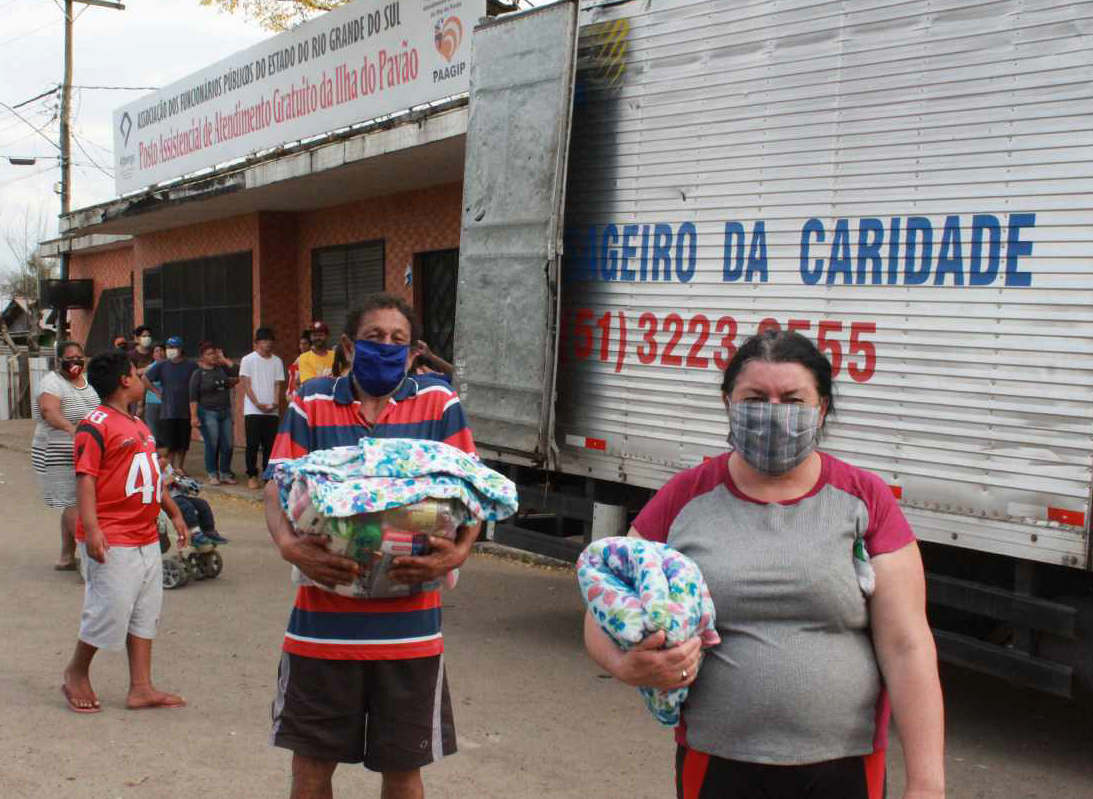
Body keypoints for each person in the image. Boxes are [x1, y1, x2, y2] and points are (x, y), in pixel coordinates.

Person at [583, 329, 945, 799]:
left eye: (793, 399)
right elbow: (602, 603)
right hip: (717, 763)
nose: (773, 413)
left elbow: (907, 647)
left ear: (822, 409)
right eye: (755, 397)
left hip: (845, 766)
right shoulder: (687, 497)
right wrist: (624, 665)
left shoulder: (863, 499)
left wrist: (927, 784)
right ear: (728, 403)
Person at [263, 293, 480, 799]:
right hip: (322, 622)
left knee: (403, 771)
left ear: (413, 353)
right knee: (311, 766)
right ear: (348, 346)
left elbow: (472, 488)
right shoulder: (312, 401)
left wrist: (461, 549)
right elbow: (277, 480)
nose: (386, 347)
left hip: (410, 627)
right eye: (373, 338)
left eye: (397, 340)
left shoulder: (439, 403)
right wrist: (287, 545)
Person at [61, 351, 190, 713]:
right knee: (109, 609)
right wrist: (93, 529)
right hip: (113, 535)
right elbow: (85, 479)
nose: (140, 378)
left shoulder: (138, 425)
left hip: (145, 536)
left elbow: (152, 476)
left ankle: (141, 687)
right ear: (124, 380)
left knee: (145, 611)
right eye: (136, 372)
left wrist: (175, 513)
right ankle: (76, 671)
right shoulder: (95, 423)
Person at [31, 341, 100, 570]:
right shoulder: (51, 383)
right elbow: (49, 411)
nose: (76, 361)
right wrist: (73, 431)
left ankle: (66, 557)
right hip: (56, 451)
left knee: (73, 501)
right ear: (59, 359)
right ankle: (88, 559)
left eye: (79, 357)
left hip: (86, 450)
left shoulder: (88, 382)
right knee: (72, 502)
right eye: (70, 357)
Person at [239, 327, 286, 490]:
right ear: (257, 342)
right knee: (252, 444)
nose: (267, 344)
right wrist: (257, 404)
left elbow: (277, 384)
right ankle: (252, 475)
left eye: (270, 340)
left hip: (271, 410)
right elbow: (246, 384)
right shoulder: (248, 360)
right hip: (253, 410)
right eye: (264, 340)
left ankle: (268, 475)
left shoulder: (277, 361)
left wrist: (275, 402)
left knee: (270, 445)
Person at [143, 336, 198, 473]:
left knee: (183, 443)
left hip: (185, 410)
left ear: (180, 349)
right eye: (168, 348)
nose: (170, 350)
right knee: (169, 443)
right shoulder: (162, 365)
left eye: (173, 348)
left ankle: (179, 467)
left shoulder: (191, 366)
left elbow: (197, 383)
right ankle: (170, 468)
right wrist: (156, 392)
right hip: (168, 410)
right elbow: (145, 378)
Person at [188, 341, 239, 485]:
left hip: (225, 411)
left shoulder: (221, 369)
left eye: (214, 353)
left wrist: (223, 359)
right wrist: (193, 416)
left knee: (228, 444)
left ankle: (224, 473)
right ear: (202, 358)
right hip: (207, 412)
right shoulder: (198, 374)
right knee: (212, 443)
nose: (213, 356)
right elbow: (193, 397)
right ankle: (212, 473)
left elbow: (238, 371)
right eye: (209, 354)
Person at [160, 454, 229, 547]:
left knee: (202, 504)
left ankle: (209, 531)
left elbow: (185, 487)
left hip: (178, 495)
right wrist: (166, 482)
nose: (164, 460)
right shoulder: (151, 471)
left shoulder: (168, 468)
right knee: (186, 506)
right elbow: (153, 487)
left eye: (166, 457)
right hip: (165, 500)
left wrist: (181, 477)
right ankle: (194, 533)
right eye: (159, 457)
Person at [142, 343, 165, 434]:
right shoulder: (150, 368)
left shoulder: (170, 366)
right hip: (152, 403)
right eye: (156, 351)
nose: (159, 353)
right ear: (153, 354)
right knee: (153, 432)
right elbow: (144, 384)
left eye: (161, 350)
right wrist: (141, 405)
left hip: (168, 405)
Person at [285, 328, 311, 403]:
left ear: (311, 345)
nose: (302, 346)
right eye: (300, 343)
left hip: (302, 397)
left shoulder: (310, 360)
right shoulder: (299, 358)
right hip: (292, 396)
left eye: (305, 343)